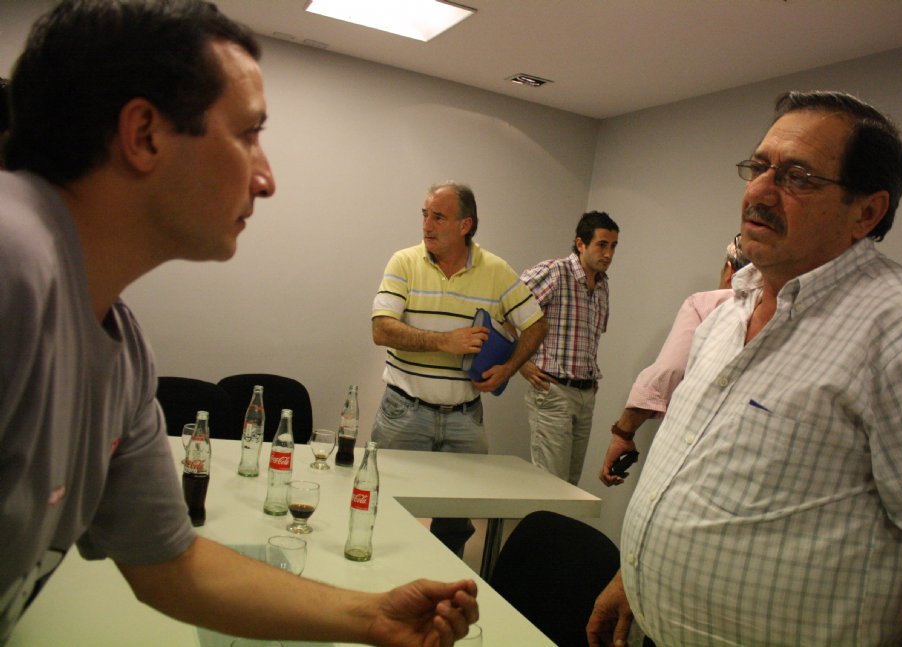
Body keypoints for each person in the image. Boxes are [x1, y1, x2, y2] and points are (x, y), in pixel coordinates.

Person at [0, 2, 477, 645]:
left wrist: (371, 616)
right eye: (248, 134)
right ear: (144, 134)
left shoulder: (119, 348)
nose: (266, 178)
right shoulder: (13, 263)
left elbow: (171, 566)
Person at [587, 91, 902, 647]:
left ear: (866, 212)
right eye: (759, 166)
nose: (759, 191)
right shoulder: (728, 311)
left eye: (796, 177)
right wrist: (635, 576)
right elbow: (694, 468)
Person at [371, 181, 547, 556]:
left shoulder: (496, 271)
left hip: (465, 419)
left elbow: (536, 325)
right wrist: (444, 341)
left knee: (455, 526)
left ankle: (441, 586)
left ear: (465, 225)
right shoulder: (404, 262)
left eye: (438, 217)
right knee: (382, 512)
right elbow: (381, 329)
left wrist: (509, 368)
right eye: (425, 215)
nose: (426, 225)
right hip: (404, 412)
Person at [599, 234, 748, 487]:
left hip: (696, 454)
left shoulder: (704, 305)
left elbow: (668, 370)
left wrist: (622, 433)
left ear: (729, 270)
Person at [519, 211, 619, 484]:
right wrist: (521, 363)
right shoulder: (555, 272)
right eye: (602, 244)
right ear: (580, 244)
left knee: (569, 487)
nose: (608, 254)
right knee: (550, 485)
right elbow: (504, 309)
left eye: (613, 246)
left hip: (585, 393)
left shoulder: (602, 285)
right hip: (554, 391)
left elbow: (590, 338)